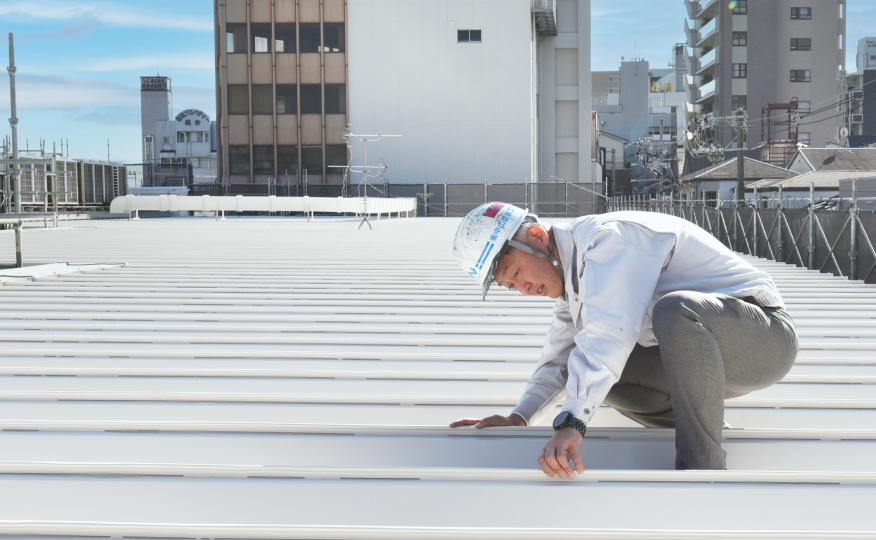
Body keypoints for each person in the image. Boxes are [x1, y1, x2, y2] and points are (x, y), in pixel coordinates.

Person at [449, 202, 798, 475]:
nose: (524, 289)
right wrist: (519, 418)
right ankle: (701, 428)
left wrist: (572, 424)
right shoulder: (572, 286)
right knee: (588, 375)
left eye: (516, 272)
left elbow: (609, 333)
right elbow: (559, 362)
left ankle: (702, 467)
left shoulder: (607, 240)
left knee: (675, 311)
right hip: (704, 360)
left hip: (764, 337)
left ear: (539, 237)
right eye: (511, 287)